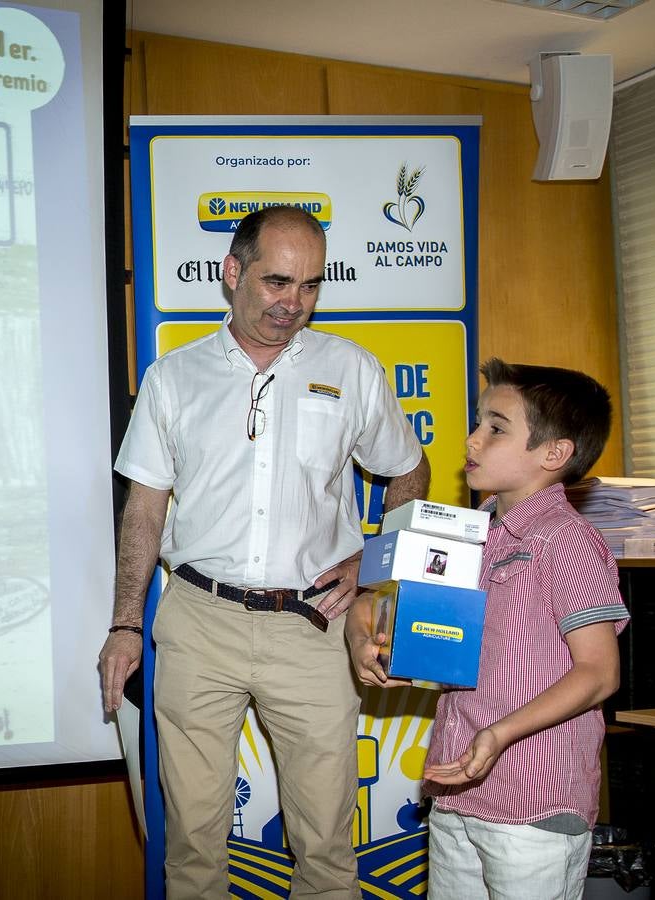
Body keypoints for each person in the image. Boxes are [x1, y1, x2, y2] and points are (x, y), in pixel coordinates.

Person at [99, 205, 431, 898]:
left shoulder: (351, 368)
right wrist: (125, 624)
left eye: (310, 285)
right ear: (231, 273)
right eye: (278, 281)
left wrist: (375, 559)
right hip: (197, 621)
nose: (294, 303)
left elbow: (408, 470)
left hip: (313, 627)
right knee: (190, 843)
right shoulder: (173, 378)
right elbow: (143, 512)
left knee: (325, 847)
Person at [349, 360, 627, 899]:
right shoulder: (473, 535)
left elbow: (599, 673)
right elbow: (386, 608)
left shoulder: (567, 542)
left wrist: (499, 735)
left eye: (496, 428)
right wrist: (373, 641)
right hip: (457, 795)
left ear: (554, 453)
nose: (472, 439)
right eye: (478, 422)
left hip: (534, 806)